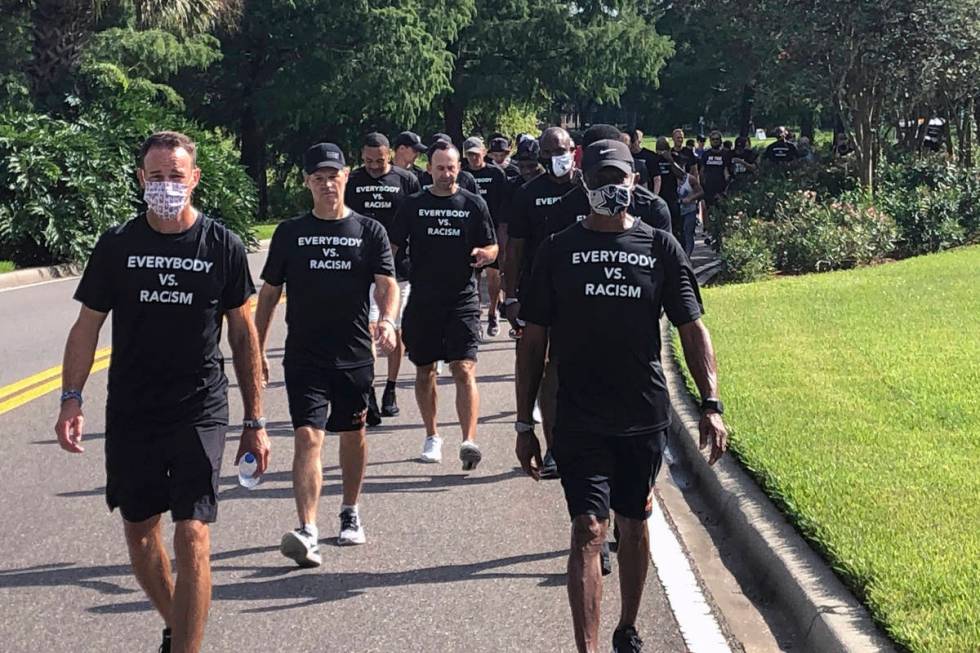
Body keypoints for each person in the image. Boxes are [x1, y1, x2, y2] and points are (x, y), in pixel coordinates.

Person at [55, 131, 269, 653]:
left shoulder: (222, 245)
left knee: (192, 531)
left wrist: (254, 420)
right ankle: (179, 624)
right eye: (157, 177)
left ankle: (187, 648)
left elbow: (243, 335)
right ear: (141, 181)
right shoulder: (118, 244)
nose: (167, 186)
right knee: (140, 528)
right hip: (133, 407)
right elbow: (87, 326)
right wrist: (71, 397)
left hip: (199, 406)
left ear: (195, 179)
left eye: (177, 177)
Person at [515, 138, 729, 653]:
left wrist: (711, 403)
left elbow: (691, 328)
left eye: (621, 179)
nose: (612, 188)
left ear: (634, 182)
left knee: (634, 522)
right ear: (587, 183)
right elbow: (534, 340)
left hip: (641, 412)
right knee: (589, 527)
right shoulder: (558, 249)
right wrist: (525, 423)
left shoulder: (660, 246)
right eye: (603, 180)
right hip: (579, 414)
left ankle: (627, 625)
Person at [256, 142, 399, 566]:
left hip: (354, 353)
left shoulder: (368, 230)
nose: (326, 185)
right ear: (307, 182)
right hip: (304, 355)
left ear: (346, 176)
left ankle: (350, 510)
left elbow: (386, 282)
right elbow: (268, 295)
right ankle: (308, 529)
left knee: (352, 436)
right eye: (317, 178)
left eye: (332, 176)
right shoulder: (290, 233)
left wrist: (387, 319)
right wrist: (257, 349)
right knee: (307, 436)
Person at [390, 140, 498, 468]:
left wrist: (486, 254)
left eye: (451, 168)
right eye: (440, 168)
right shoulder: (412, 205)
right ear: (429, 170)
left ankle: (468, 440)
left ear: (459, 169)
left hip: (462, 298)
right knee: (425, 371)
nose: (446, 174)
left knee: (463, 367)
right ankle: (432, 435)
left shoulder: (473, 204)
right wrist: (386, 276)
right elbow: (392, 244)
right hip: (424, 299)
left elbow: (493, 246)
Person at [504, 127, 580, 478]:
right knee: (547, 372)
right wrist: (511, 296)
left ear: (573, 150)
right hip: (539, 297)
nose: (555, 159)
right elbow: (515, 249)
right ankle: (553, 449)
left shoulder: (587, 189)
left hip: (581, 294)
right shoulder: (527, 194)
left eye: (561, 150)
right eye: (547, 153)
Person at [344, 132, 421, 422]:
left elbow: (416, 219)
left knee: (395, 330)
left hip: (398, 267)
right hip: (360, 265)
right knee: (369, 328)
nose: (374, 166)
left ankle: (390, 388)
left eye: (379, 160)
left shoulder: (406, 180)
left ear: (390, 155)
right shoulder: (352, 181)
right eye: (368, 160)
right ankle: (370, 393)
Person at [463, 135, 510, 338]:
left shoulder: (496, 174)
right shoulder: (462, 176)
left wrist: (502, 235)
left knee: (492, 276)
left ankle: (492, 311)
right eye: (470, 155)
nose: (474, 158)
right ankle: (476, 314)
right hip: (470, 233)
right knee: (472, 277)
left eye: (476, 154)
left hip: (492, 231)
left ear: (484, 153)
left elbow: (504, 206)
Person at [699, 130, 732, 250]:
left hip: (721, 189)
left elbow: (727, 172)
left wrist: (725, 190)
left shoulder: (725, 154)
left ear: (721, 140)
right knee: (709, 213)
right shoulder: (706, 154)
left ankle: (722, 236)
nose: (715, 141)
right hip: (708, 189)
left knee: (722, 213)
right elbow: (702, 171)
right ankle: (711, 234)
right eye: (713, 139)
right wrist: (701, 185)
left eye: (717, 139)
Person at [653, 136, 686, 242]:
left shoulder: (674, 157)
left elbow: (682, 175)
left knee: (676, 226)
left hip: (672, 196)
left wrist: (670, 160)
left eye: (664, 148)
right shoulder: (653, 159)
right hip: (658, 196)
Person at [677, 160, 705, 256]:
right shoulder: (670, 178)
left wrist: (690, 198)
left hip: (689, 210)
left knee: (687, 232)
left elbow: (700, 192)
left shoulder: (690, 179)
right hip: (677, 211)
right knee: (679, 234)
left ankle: (687, 256)